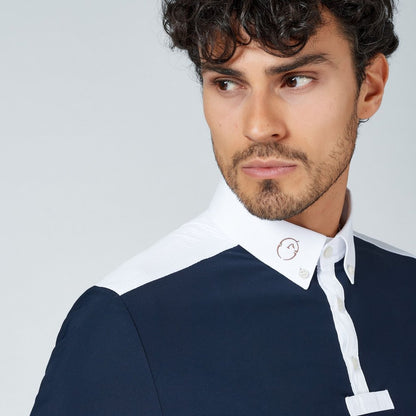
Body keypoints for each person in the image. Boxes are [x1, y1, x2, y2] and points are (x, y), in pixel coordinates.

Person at [30, 1, 415, 415]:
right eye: (228, 84)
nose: (258, 126)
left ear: (370, 87)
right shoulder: (123, 322)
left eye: (295, 80)